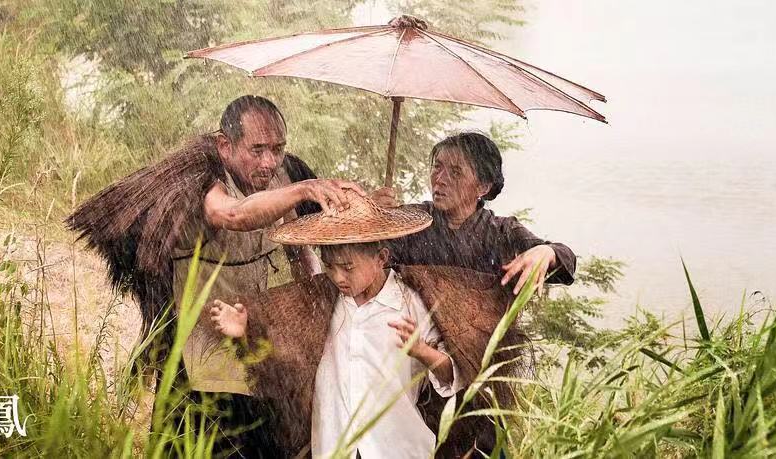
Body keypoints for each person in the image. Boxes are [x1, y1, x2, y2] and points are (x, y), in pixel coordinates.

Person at [66, 95, 362, 455]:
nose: (269, 162)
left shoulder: (286, 175)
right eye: (257, 150)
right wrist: (304, 189)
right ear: (225, 146)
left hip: (250, 342)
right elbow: (233, 215)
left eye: (277, 149)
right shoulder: (202, 182)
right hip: (199, 356)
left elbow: (305, 239)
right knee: (193, 446)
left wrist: (366, 209)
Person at [205, 192, 529, 458]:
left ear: (381, 257)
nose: (338, 277)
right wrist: (245, 331)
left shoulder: (412, 303)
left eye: (348, 267)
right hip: (334, 445)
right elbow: (285, 359)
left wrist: (421, 351)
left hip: (397, 447)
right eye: (330, 266)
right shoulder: (319, 302)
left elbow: (452, 376)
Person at [373, 131, 577, 294]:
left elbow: (565, 258)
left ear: (483, 187)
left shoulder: (502, 231)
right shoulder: (413, 220)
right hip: (408, 329)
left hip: (482, 334)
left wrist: (546, 252)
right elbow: (371, 263)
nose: (440, 179)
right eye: (437, 167)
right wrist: (370, 213)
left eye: (456, 172)